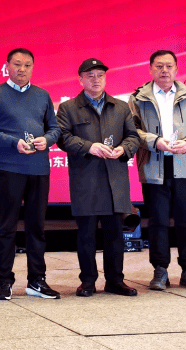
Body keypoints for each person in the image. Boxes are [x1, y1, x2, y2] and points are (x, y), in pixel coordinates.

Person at [0, 48, 62, 301]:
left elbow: (55, 128)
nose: (22, 69)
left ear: (33, 67)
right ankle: (4, 281)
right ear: (7, 66)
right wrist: (12, 142)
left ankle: (36, 280)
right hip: (10, 167)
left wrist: (47, 140)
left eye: (27, 65)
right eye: (17, 64)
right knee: (6, 226)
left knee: (37, 227)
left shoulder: (42, 95)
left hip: (39, 168)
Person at [56, 58, 141, 297]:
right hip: (86, 179)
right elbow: (63, 137)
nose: (96, 79)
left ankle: (115, 281)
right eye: (90, 75)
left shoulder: (121, 107)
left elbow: (133, 136)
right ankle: (88, 281)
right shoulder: (68, 108)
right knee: (86, 236)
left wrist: (124, 148)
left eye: (100, 75)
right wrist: (89, 147)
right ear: (80, 79)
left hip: (115, 179)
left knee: (115, 235)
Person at [130, 50, 186, 291]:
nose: (164, 70)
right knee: (158, 220)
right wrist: (155, 141)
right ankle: (160, 270)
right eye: (159, 66)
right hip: (154, 165)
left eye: (169, 66)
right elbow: (132, 130)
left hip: (184, 164)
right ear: (150, 69)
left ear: (176, 69)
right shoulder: (138, 98)